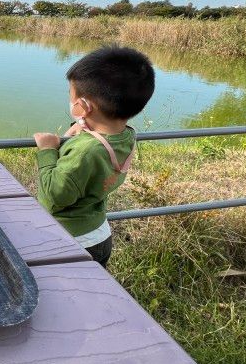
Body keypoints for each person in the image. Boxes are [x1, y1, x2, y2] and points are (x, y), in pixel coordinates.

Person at [33, 46, 155, 267]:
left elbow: (54, 196)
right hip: (99, 234)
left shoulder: (86, 150)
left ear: (83, 106)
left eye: (72, 97)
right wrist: (80, 130)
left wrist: (47, 150)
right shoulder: (127, 135)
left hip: (70, 240)